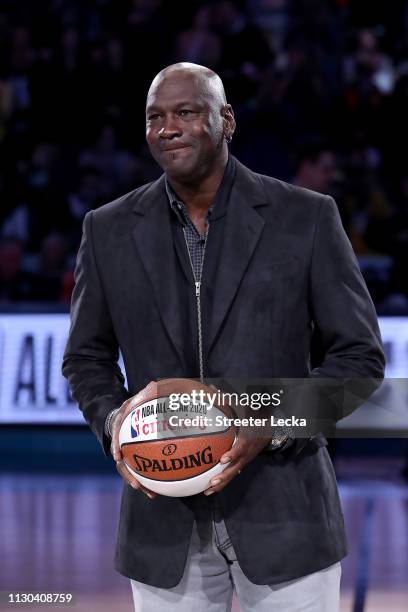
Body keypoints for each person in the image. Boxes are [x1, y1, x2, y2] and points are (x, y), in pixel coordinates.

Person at [62, 62, 385, 611]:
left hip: (287, 515)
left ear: (226, 120)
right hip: (162, 522)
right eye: (155, 117)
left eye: (186, 112)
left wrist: (267, 423)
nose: (168, 128)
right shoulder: (108, 228)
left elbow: (358, 357)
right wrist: (117, 422)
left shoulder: (304, 217)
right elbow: (86, 356)